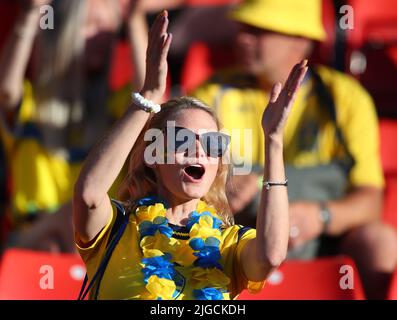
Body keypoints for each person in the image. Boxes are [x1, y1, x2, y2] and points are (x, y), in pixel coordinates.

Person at [73, 10, 307, 300]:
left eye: (213, 144)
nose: (199, 149)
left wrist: (273, 140)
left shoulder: (228, 243)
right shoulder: (117, 228)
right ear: (154, 154)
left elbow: (270, 255)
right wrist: (148, 97)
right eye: (183, 139)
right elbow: (89, 194)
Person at [192, 0, 397, 299]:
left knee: (379, 241)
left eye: (259, 31)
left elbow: (370, 201)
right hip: (240, 243)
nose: (242, 38)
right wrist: (220, 189)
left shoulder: (346, 99)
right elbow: (175, 184)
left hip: (323, 242)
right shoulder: (211, 95)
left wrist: (321, 217)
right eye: (244, 28)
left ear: (301, 42)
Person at [0, 0, 148, 252]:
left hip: (102, 240)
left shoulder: (118, 110)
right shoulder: (29, 107)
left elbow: (150, 95)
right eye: (90, 25)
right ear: (62, 32)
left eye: (108, 30)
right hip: (32, 240)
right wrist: (29, 14)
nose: (101, 37)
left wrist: (134, 20)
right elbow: (6, 91)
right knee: (65, 225)